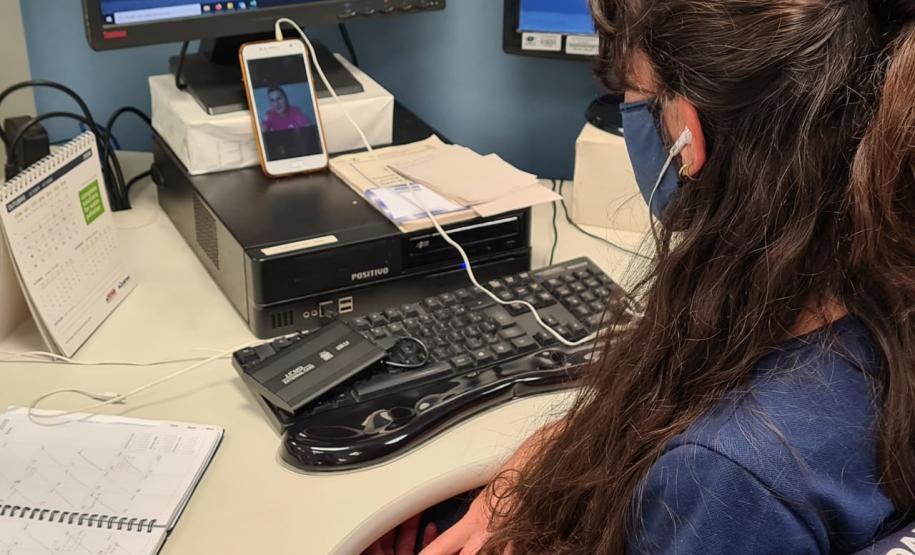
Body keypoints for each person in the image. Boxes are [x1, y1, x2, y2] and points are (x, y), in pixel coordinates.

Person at [360, 0, 915, 553]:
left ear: (687, 138)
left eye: (630, 92)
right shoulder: (873, 303)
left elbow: (719, 470)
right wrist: (539, 460)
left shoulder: (727, 474)